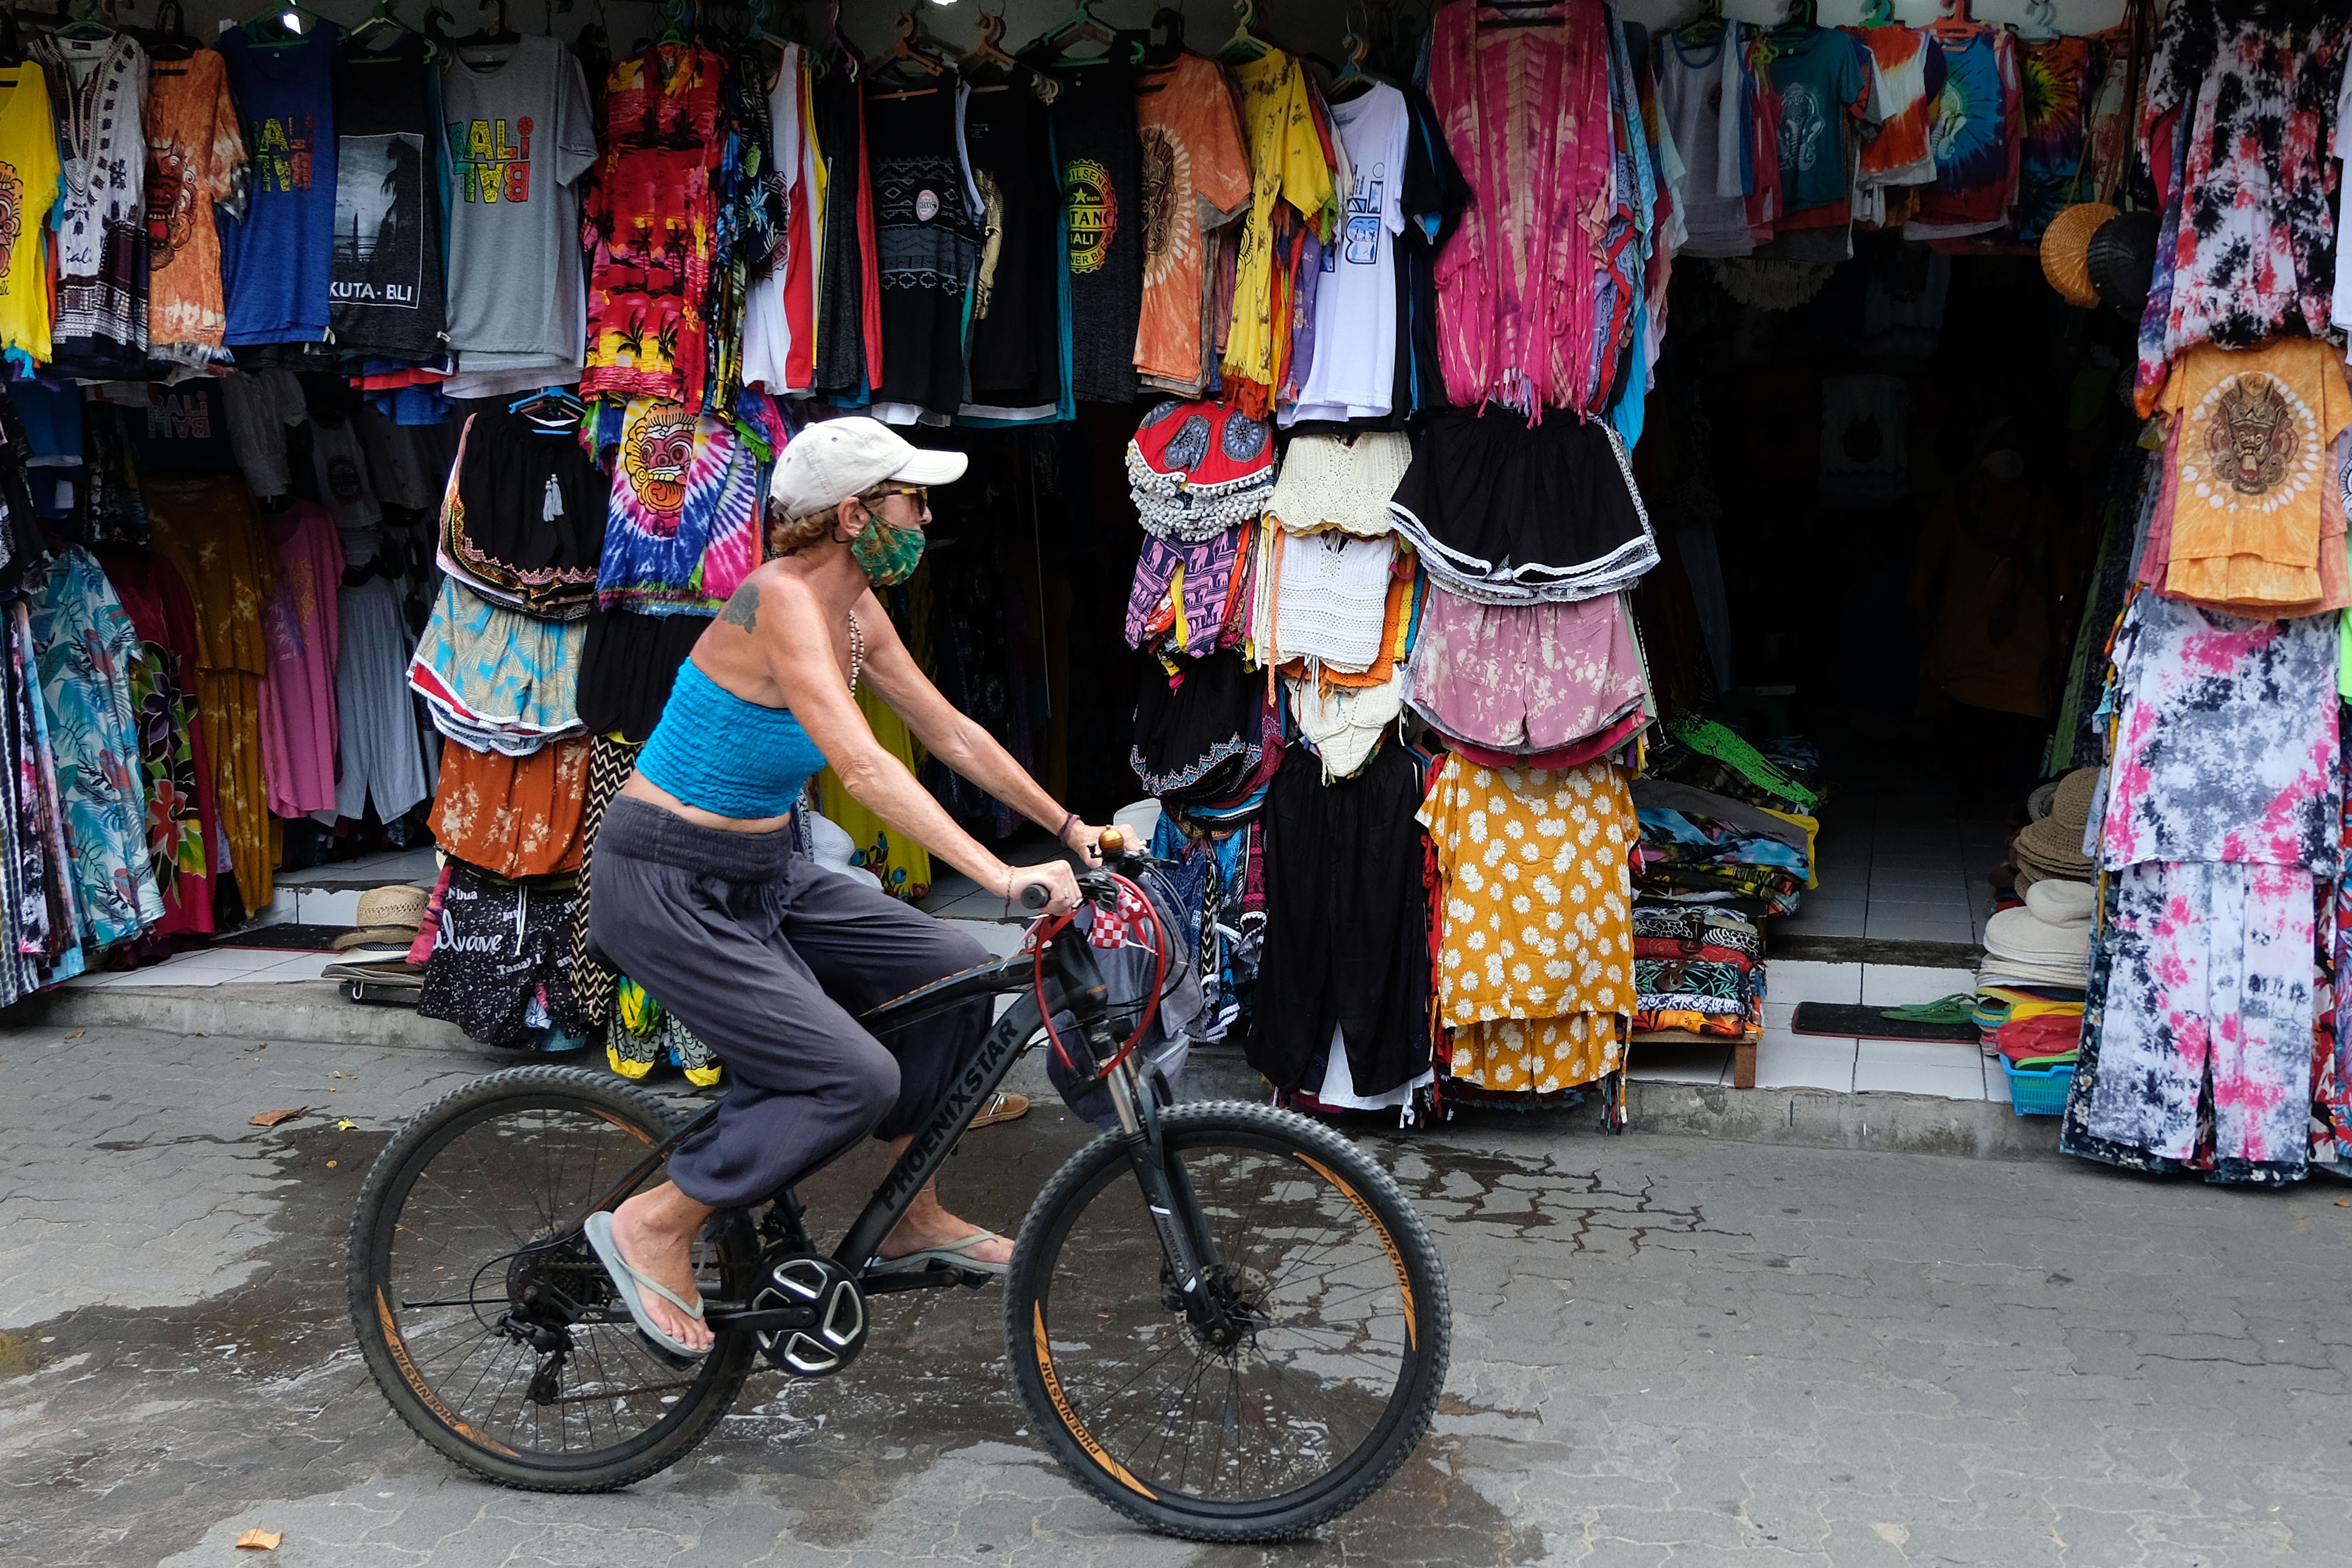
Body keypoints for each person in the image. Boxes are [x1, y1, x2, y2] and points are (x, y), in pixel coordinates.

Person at [585, 416, 1105, 1358]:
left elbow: (950, 732)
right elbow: (862, 768)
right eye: (914, 499)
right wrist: (997, 875)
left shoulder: (856, 610)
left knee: (946, 971)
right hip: (667, 879)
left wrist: (1069, 828)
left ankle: (912, 1213)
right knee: (849, 1076)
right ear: (855, 514)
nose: (927, 514)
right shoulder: (781, 598)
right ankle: (659, 1220)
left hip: (765, 872)